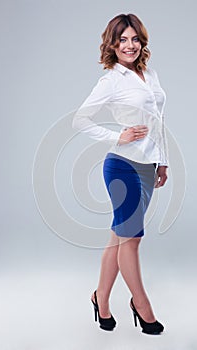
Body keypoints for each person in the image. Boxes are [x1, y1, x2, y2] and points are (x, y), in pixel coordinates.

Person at [72, 13, 168, 335]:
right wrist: (117, 136)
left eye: (135, 39)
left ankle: (100, 299)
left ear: (142, 42)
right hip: (122, 168)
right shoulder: (111, 80)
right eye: (123, 39)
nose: (130, 45)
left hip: (147, 167)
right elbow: (80, 120)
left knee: (118, 237)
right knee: (131, 240)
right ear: (113, 45)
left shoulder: (149, 74)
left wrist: (163, 161)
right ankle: (142, 306)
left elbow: (159, 121)